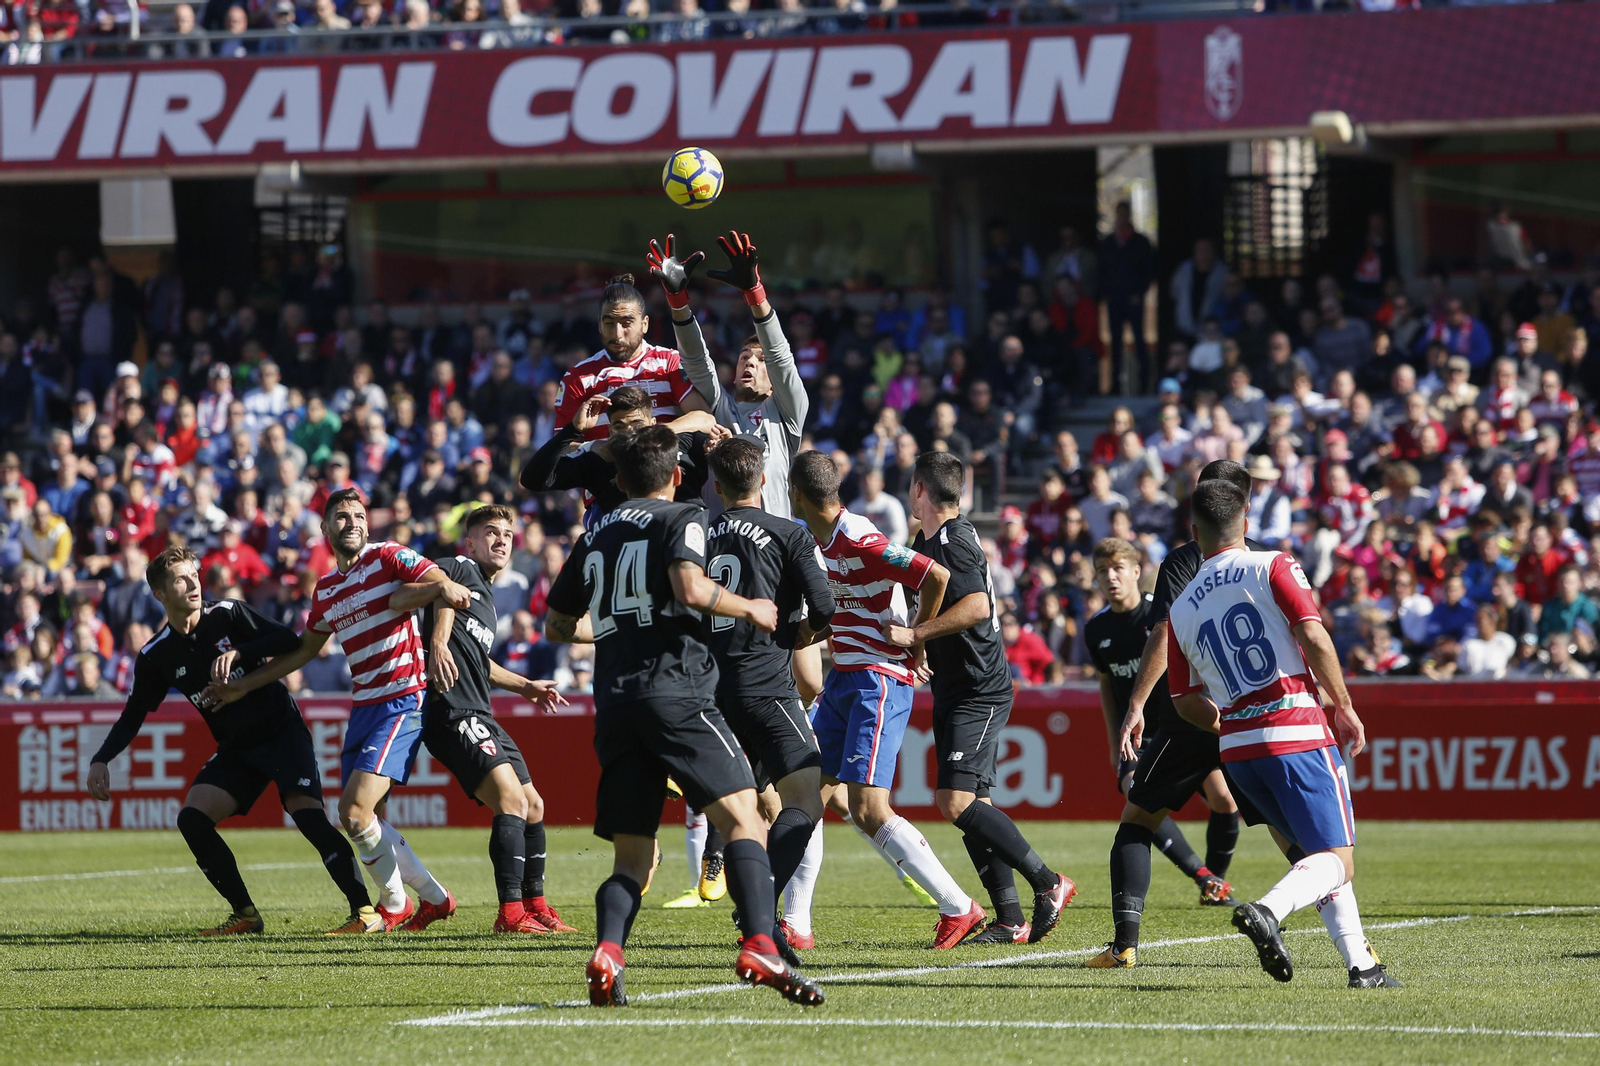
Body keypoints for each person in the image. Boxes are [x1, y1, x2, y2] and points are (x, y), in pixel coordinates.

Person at [543, 425, 822, 1007]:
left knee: (633, 857)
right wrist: (752, 606)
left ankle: (609, 953)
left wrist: (620, 628)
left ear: (617, 481)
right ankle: (760, 944)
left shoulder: (594, 535)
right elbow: (690, 586)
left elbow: (558, 627)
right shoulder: (684, 517)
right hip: (677, 693)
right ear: (675, 476)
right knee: (746, 816)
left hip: (614, 704)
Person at [1167, 479, 1399, 989]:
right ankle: (1269, 911)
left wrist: (1230, 722)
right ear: (1246, 522)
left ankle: (1363, 966)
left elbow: (1184, 701)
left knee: (1314, 857)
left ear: (1194, 531)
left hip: (1238, 751)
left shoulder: (1179, 607)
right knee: (1338, 861)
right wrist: (1344, 704)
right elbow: (1312, 633)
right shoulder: (1272, 564)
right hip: (1295, 730)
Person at [201, 490, 465, 932]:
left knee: (356, 813)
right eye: (341, 517)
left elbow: (444, 586)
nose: (353, 523)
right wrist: (241, 686)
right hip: (364, 705)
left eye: (359, 515)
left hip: (403, 697)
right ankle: (437, 900)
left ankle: (393, 905)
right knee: (366, 819)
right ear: (325, 530)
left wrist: (437, 642)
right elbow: (304, 652)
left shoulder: (389, 556)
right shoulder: (326, 590)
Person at [86, 546, 379, 936]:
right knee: (192, 819)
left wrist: (241, 652)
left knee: (307, 815)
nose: (193, 583)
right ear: (160, 595)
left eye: (195, 573)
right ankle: (245, 915)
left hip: (281, 731)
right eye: (180, 579)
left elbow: (290, 643)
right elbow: (133, 715)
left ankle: (365, 912)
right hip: (237, 748)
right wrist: (101, 758)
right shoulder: (157, 654)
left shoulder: (227, 613)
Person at [788, 448, 986, 950]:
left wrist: (916, 637)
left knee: (870, 808)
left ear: (796, 495)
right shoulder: (819, 539)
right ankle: (796, 924)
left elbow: (933, 575)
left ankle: (959, 907)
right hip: (844, 681)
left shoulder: (860, 537)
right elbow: (841, 613)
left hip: (877, 682)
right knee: (808, 794)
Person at [894, 452, 1075, 945]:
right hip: (955, 685)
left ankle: (1049, 882)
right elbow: (935, 599)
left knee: (953, 801)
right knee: (976, 803)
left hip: (981, 688)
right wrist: (923, 642)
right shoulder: (929, 540)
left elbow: (976, 605)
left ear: (919, 491)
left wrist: (917, 636)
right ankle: (1010, 918)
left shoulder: (955, 539)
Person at [703, 438, 836, 952]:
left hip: (711, 695)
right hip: (766, 685)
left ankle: (750, 905)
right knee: (804, 798)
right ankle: (757, 915)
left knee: (745, 810)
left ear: (717, 486)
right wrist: (799, 636)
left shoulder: (696, 531)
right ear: (764, 482)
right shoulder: (788, 534)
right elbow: (824, 609)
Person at [1083, 536, 1239, 970]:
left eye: (1118, 568)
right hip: (1141, 737)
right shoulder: (1096, 629)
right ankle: (1206, 878)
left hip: (1182, 725)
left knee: (1226, 802)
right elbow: (1106, 689)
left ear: (1137, 570)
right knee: (1137, 798)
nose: (1110, 578)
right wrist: (1117, 738)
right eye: (1102, 571)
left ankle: (1215, 881)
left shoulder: (1162, 609)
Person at [419, 504, 572, 935]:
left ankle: (535, 905)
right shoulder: (461, 567)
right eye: (490, 532)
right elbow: (441, 588)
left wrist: (527, 686)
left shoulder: (486, 598)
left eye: (507, 533)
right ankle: (509, 914)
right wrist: (437, 642)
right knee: (511, 802)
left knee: (534, 805)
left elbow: (478, 661)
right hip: (451, 713)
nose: (501, 539)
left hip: (479, 713)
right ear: (469, 541)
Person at [553, 274, 709, 444]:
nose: (617, 334)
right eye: (609, 323)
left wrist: (650, 435)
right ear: (599, 324)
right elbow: (561, 449)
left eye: (626, 323)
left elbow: (705, 420)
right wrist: (606, 449)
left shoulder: (668, 362)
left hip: (665, 464)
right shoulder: (578, 377)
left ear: (645, 324)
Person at [519, 384, 718, 517]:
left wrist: (656, 434)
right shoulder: (600, 458)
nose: (630, 432)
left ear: (653, 423)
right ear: (610, 431)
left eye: (638, 424)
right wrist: (572, 431)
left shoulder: (678, 443)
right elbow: (532, 479)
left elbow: (707, 420)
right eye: (620, 426)